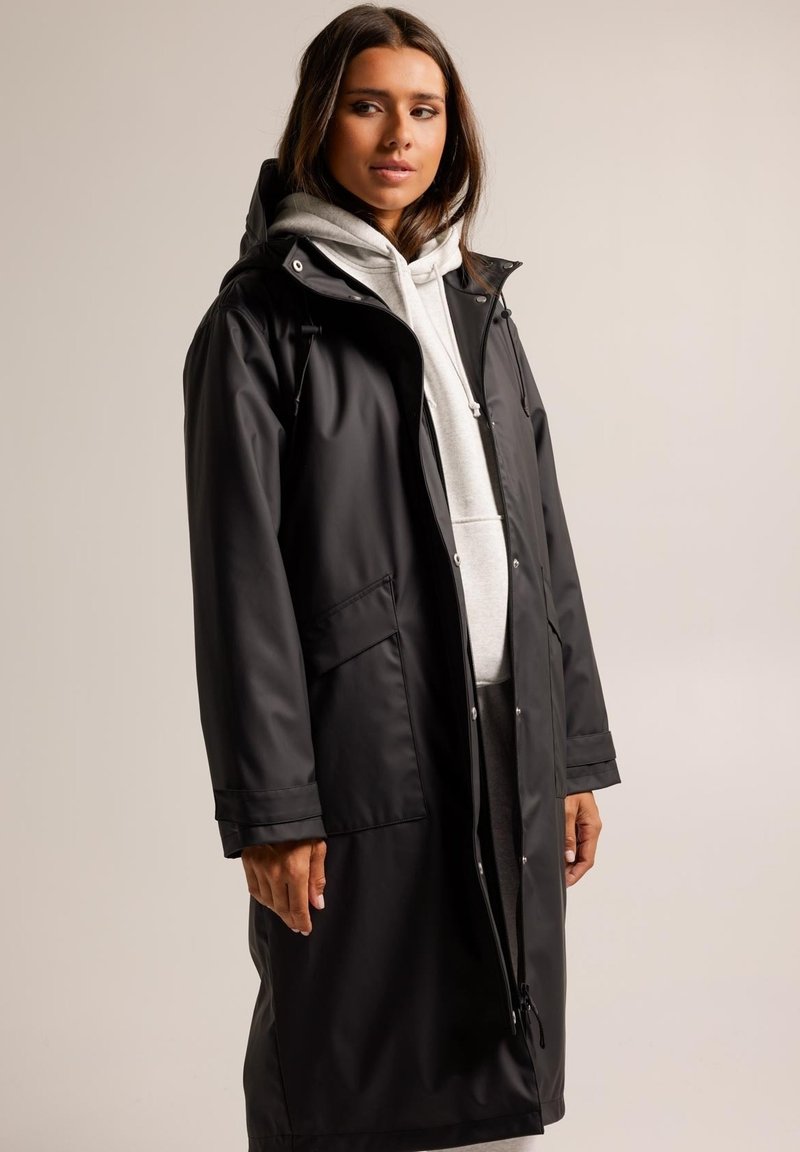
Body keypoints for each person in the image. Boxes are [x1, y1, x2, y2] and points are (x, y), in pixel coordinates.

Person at [182, 6, 621, 1152]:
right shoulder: (259, 322)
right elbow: (240, 588)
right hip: (360, 736)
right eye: (368, 105)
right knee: (345, 1051)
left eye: (422, 110)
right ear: (319, 121)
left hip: (506, 721)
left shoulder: (475, 303)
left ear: (450, 131)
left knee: (496, 1035)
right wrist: (273, 811)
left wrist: (571, 749)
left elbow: (540, 536)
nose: (398, 136)